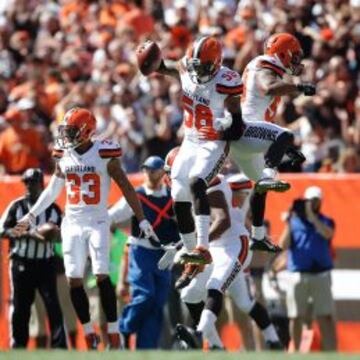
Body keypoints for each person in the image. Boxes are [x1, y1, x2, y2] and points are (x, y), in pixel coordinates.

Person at [13, 108, 157, 350]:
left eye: (71, 131)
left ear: (86, 131)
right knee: (74, 280)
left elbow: (126, 187)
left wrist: (142, 219)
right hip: (72, 222)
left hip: (98, 220)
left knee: (102, 275)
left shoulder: (103, 153)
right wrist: (30, 215)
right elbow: (52, 191)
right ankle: (89, 332)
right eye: (66, 131)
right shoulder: (64, 154)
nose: (66, 136)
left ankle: (112, 331)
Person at [199, 33, 314, 253]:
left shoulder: (270, 67)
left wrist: (288, 153)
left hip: (249, 138)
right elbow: (268, 87)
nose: (296, 61)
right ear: (283, 53)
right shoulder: (265, 64)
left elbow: (268, 123)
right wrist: (299, 87)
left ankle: (258, 236)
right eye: (294, 56)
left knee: (261, 185)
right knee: (285, 136)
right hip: (245, 129)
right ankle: (269, 176)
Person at [160, 148, 282, 350]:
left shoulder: (209, 182)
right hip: (214, 248)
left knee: (217, 287)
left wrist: (198, 247)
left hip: (233, 245)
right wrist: (180, 246)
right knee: (190, 294)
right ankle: (218, 345)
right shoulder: (183, 192)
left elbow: (223, 221)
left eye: (171, 172)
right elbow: (198, 229)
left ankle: (199, 334)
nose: (170, 177)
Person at [146, 36, 246, 265]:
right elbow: (165, 67)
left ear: (216, 64)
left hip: (213, 141)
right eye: (195, 65)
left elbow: (238, 128)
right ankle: (191, 251)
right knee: (178, 191)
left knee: (196, 182)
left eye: (203, 66)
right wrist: (151, 64)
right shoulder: (186, 69)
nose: (198, 70)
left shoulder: (225, 82)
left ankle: (203, 246)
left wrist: (226, 127)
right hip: (191, 140)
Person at [109, 156, 179, 349]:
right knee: (144, 295)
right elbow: (113, 215)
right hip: (141, 251)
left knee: (157, 303)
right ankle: (123, 329)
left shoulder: (173, 197)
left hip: (165, 255)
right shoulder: (136, 195)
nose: (148, 173)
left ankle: (145, 349)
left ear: (162, 173)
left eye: (153, 170)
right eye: (146, 169)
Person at [0, 168, 66, 349]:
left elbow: (63, 235)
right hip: (22, 263)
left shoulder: (53, 209)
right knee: (21, 308)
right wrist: (30, 234)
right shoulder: (17, 206)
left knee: (53, 306)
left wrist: (54, 235)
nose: (29, 186)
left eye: (33, 182)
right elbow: (2, 230)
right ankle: (19, 346)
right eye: (26, 182)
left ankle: (60, 347)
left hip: (46, 263)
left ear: (42, 184)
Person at [278, 186, 337, 351]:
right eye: (310, 201)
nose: (313, 204)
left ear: (321, 202)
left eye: (316, 201)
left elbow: (328, 234)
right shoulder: (294, 222)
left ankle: (332, 352)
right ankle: (295, 351)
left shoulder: (326, 220)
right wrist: (289, 221)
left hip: (321, 275)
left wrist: (312, 217)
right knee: (295, 316)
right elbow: (283, 245)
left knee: (325, 316)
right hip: (298, 275)